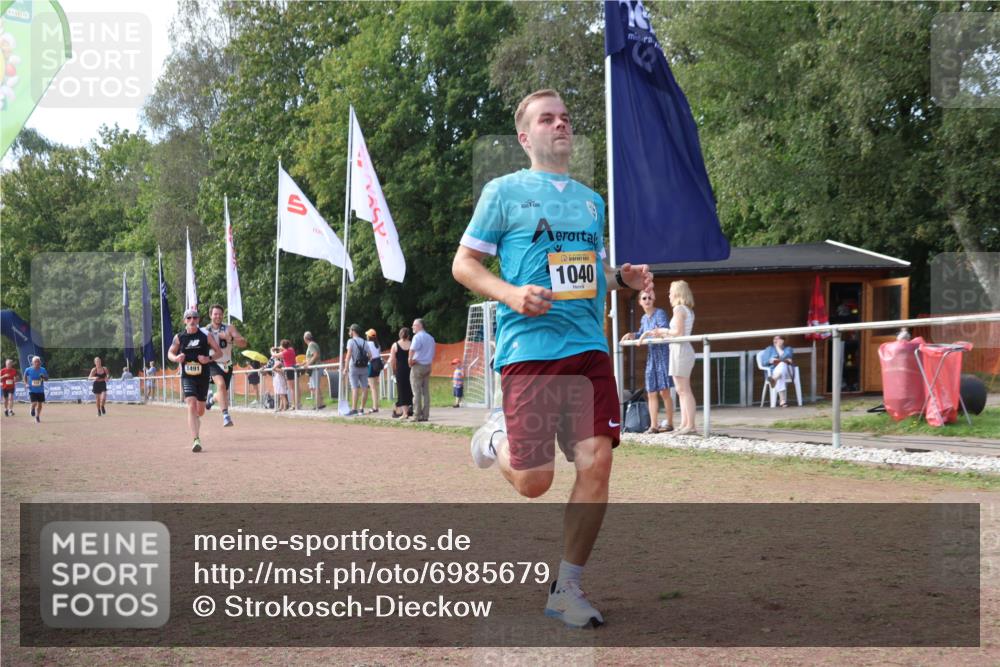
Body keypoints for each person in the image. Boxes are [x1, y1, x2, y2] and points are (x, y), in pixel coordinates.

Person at [453, 89, 652, 628]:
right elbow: (464, 264)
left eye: (565, 117)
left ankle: (566, 588)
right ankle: (493, 438)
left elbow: (589, 273)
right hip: (530, 350)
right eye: (547, 119)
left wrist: (622, 279)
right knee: (534, 481)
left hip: (588, 348)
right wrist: (511, 294)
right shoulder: (503, 192)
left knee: (598, 462)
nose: (561, 124)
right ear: (525, 137)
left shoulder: (591, 202)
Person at [641, 280, 696, 434]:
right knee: (681, 390)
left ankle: (690, 425)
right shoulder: (687, 309)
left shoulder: (679, 309)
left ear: (677, 293)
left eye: (671, 292)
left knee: (684, 390)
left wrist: (662, 331)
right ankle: (685, 424)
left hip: (680, 350)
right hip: (681, 349)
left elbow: (678, 332)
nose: (669, 295)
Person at [167, 308, 223, 452]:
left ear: (198, 320)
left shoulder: (206, 335)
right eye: (189, 318)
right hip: (187, 377)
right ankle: (196, 440)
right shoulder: (179, 337)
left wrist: (208, 358)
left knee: (200, 411)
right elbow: (170, 353)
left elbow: (219, 352)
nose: (192, 320)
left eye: (195, 318)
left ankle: (196, 419)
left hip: (203, 376)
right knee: (191, 404)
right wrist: (176, 358)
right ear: (184, 321)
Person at [620, 290, 674, 433]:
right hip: (652, 356)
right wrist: (632, 335)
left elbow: (662, 330)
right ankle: (653, 425)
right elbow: (641, 333)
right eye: (644, 298)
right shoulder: (644, 318)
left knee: (664, 392)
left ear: (654, 299)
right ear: (640, 302)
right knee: (651, 391)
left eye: (650, 297)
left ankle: (669, 423)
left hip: (662, 354)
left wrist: (646, 334)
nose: (647, 300)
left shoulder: (660, 313)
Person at [202, 304, 247, 426]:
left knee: (222, 392)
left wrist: (230, 339)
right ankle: (226, 416)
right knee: (221, 385)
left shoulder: (229, 328)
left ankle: (211, 399)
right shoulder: (205, 331)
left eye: (220, 314)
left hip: (227, 364)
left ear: (223, 315)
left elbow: (243, 343)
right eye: (215, 314)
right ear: (210, 315)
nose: (218, 316)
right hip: (212, 363)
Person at [408, 318, 435, 422]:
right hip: (428, 365)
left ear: (420, 326)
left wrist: (410, 360)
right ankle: (425, 415)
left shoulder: (417, 337)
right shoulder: (431, 338)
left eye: (414, 325)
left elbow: (412, 350)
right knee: (426, 392)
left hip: (418, 366)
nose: (412, 327)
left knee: (416, 391)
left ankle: (416, 415)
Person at [761, 335, 795, 408]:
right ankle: (782, 401)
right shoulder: (769, 349)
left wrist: (777, 347)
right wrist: (770, 361)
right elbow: (764, 362)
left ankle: (774, 379)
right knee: (780, 374)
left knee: (782, 364)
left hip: (788, 372)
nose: (775, 341)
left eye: (778, 339)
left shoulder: (788, 349)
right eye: (774, 339)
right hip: (773, 371)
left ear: (783, 341)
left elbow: (785, 356)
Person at [344, 324, 371, 416]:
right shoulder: (364, 342)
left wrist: (345, 367)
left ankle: (354, 409)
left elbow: (348, 355)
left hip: (353, 367)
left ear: (353, 331)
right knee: (365, 388)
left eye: (350, 330)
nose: (349, 332)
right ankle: (361, 408)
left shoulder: (350, 341)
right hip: (364, 367)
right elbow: (370, 355)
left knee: (354, 388)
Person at [389, 327, 413, 418]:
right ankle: (411, 408)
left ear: (400, 335)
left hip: (400, 370)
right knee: (410, 389)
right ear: (408, 335)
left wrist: (394, 370)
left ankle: (404, 413)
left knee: (401, 390)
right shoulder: (412, 344)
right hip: (410, 369)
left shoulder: (395, 345)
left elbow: (392, 360)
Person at [23, 356, 50, 424]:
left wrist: (43, 377)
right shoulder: (28, 369)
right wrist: (26, 384)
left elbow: (47, 379)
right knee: (34, 403)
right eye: (36, 362)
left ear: (40, 362)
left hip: (40, 390)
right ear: (32, 363)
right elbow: (24, 377)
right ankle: (32, 409)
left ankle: (37, 416)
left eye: (38, 361)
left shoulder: (43, 369)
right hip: (32, 390)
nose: (37, 363)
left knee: (40, 405)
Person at [304, 331, 325, 410]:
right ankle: (320, 403)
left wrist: (308, 364)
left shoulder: (311, 344)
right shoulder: (312, 344)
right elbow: (311, 357)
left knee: (315, 386)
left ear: (305, 339)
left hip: (315, 368)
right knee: (314, 386)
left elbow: (315, 355)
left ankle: (318, 404)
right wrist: (304, 363)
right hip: (314, 368)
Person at [365, 329, 383, 413]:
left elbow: (367, 355)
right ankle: (376, 405)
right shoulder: (378, 344)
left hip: (371, 365)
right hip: (378, 364)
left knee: (372, 387)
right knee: (375, 386)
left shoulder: (367, 344)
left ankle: (375, 407)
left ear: (369, 337)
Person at [280, 339, 300, 409]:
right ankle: (298, 403)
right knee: (296, 387)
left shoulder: (284, 352)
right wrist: (282, 348)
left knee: (292, 389)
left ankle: (294, 405)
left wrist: (271, 351)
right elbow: (286, 349)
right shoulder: (291, 349)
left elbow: (275, 355)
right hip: (294, 368)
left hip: (289, 370)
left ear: (283, 346)